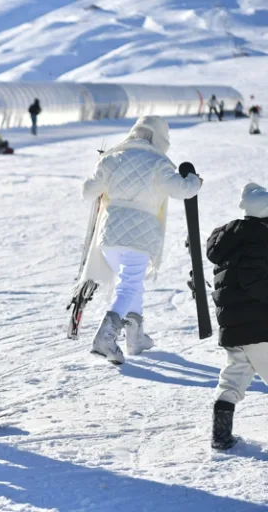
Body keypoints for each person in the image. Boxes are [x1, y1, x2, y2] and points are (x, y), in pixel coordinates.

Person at [80, 116, 202, 364]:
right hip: (140, 235)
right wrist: (194, 181)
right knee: (129, 285)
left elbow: (87, 191)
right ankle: (105, 336)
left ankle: (135, 337)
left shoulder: (112, 158)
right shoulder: (159, 163)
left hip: (109, 235)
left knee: (130, 284)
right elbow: (182, 190)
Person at [206, 183, 268, 450]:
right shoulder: (259, 240)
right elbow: (254, 281)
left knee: (232, 380)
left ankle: (221, 436)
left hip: (233, 327)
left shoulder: (230, 241)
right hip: (260, 328)